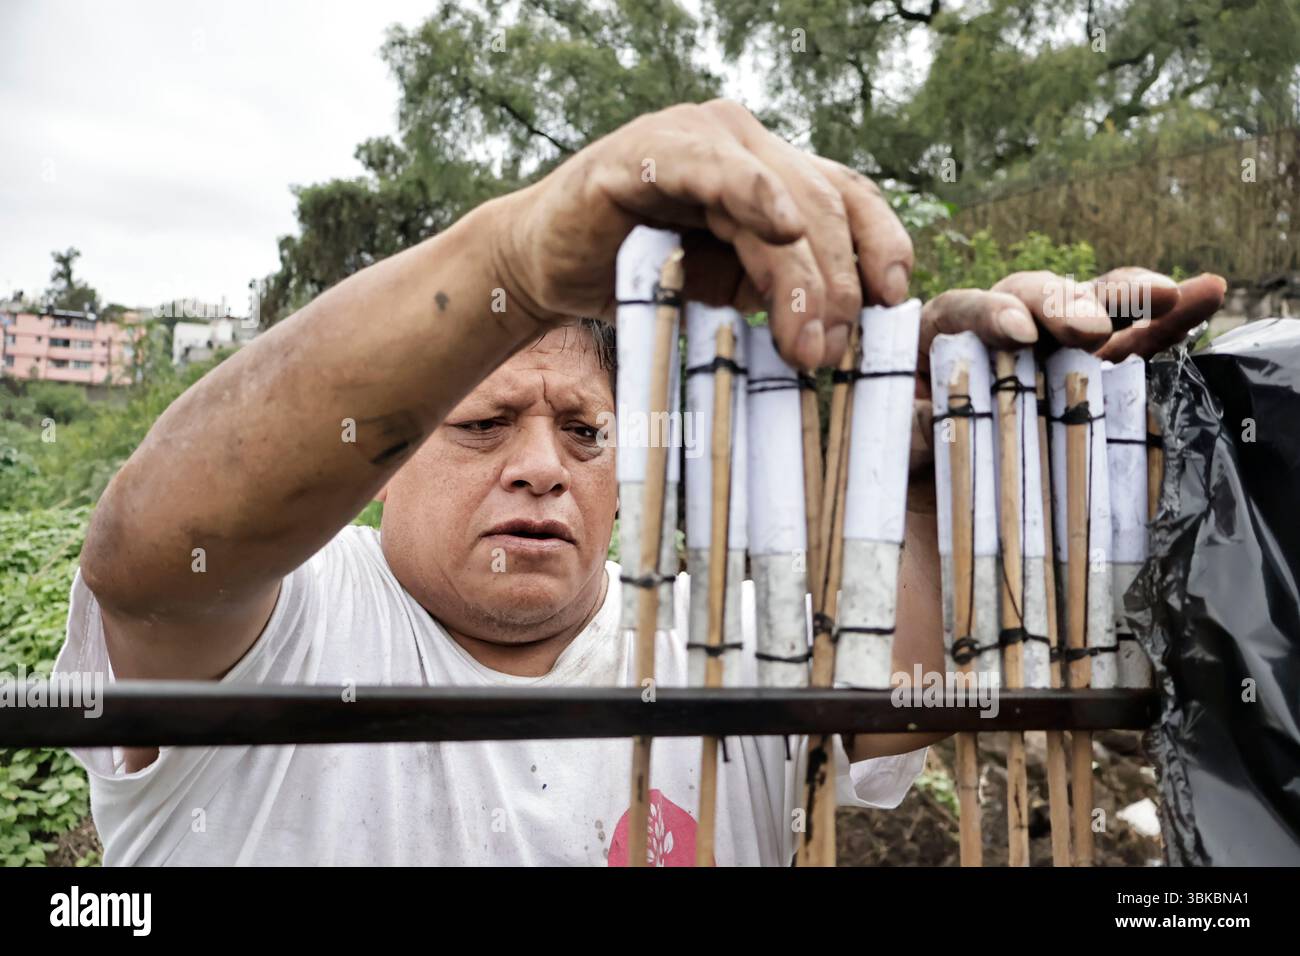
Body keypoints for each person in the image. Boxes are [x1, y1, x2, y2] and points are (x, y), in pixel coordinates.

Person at [54, 100, 1225, 865]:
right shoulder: (290, 620)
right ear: (385, 453)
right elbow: (151, 557)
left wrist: (964, 431)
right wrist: (511, 258)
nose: (539, 465)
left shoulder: (718, 643)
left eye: (582, 429)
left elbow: (899, 673)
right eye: (482, 422)